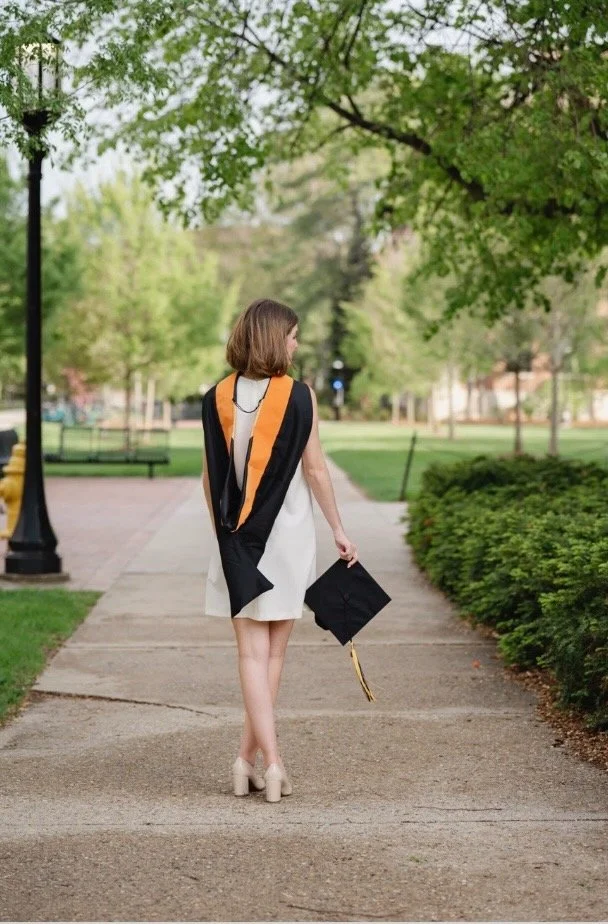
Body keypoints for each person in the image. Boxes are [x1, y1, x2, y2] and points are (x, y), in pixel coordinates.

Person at [201, 297, 358, 802]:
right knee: (273, 657)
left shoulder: (216, 397)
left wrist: (224, 539)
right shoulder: (300, 396)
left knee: (250, 654)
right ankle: (273, 765)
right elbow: (315, 470)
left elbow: (210, 477)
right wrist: (338, 527)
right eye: (292, 334)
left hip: (236, 538)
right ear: (274, 338)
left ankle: (247, 761)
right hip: (288, 535)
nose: (296, 343)